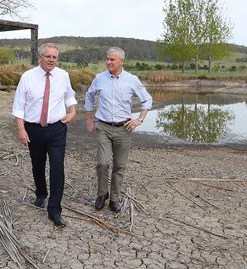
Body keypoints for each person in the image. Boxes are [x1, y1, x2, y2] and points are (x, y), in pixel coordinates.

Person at [12, 43, 77, 226]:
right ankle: (41, 193)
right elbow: (19, 105)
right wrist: (21, 129)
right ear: (40, 57)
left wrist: (72, 112)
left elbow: (69, 96)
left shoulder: (63, 76)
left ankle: (55, 210)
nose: (51, 60)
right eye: (48, 56)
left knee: (57, 168)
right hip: (34, 129)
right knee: (37, 165)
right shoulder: (28, 77)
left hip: (57, 129)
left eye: (54, 57)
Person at [85, 47, 152, 212]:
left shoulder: (132, 80)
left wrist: (139, 120)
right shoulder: (99, 78)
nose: (108, 62)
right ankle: (102, 194)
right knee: (102, 163)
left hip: (124, 129)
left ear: (121, 61)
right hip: (103, 127)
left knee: (119, 166)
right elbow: (89, 95)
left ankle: (115, 198)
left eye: (112, 60)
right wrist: (89, 117)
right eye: (107, 59)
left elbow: (147, 100)